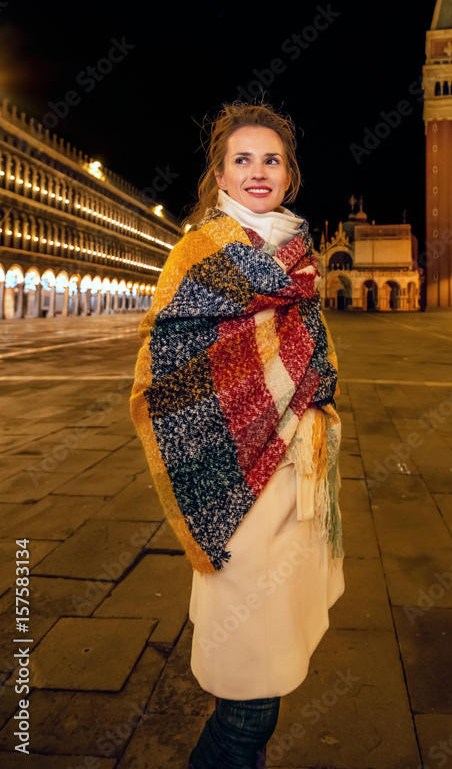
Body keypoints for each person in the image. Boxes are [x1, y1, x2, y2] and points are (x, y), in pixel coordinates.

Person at [130, 100, 345, 769]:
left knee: (267, 682)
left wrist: (309, 400)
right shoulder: (201, 253)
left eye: (271, 160)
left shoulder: (297, 255)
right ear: (219, 177)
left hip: (294, 487)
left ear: (289, 174)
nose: (258, 172)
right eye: (242, 160)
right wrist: (252, 416)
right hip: (235, 494)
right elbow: (163, 372)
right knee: (251, 703)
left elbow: (313, 359)